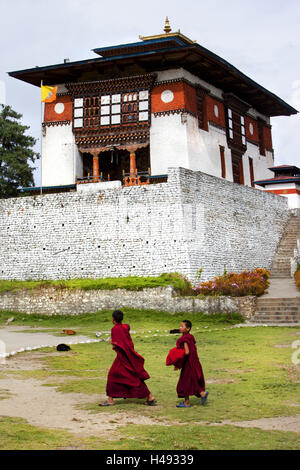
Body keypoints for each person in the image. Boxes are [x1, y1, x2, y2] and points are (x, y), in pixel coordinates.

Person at [99, 310, 156, 406]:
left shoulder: (115, 329)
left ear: (113, 319)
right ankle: (149, 396)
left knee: (113, 375)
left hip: (122, 357)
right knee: (132, 377)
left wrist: (112, 343)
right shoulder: (125, 327)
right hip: (129, 355)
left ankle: (110, 400)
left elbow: (117, 344)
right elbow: (126, 337)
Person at [175, 320, 208, 408]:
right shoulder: (190, 337)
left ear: (188, 328)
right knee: (190, 381)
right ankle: (200, 394)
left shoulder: (185, 339)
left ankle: (190, 401)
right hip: (195, 362)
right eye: (180, 326)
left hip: (188, 363)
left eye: (182, 326)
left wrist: (179, 362)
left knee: (185, 381)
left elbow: (186, 352)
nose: (180, 328)